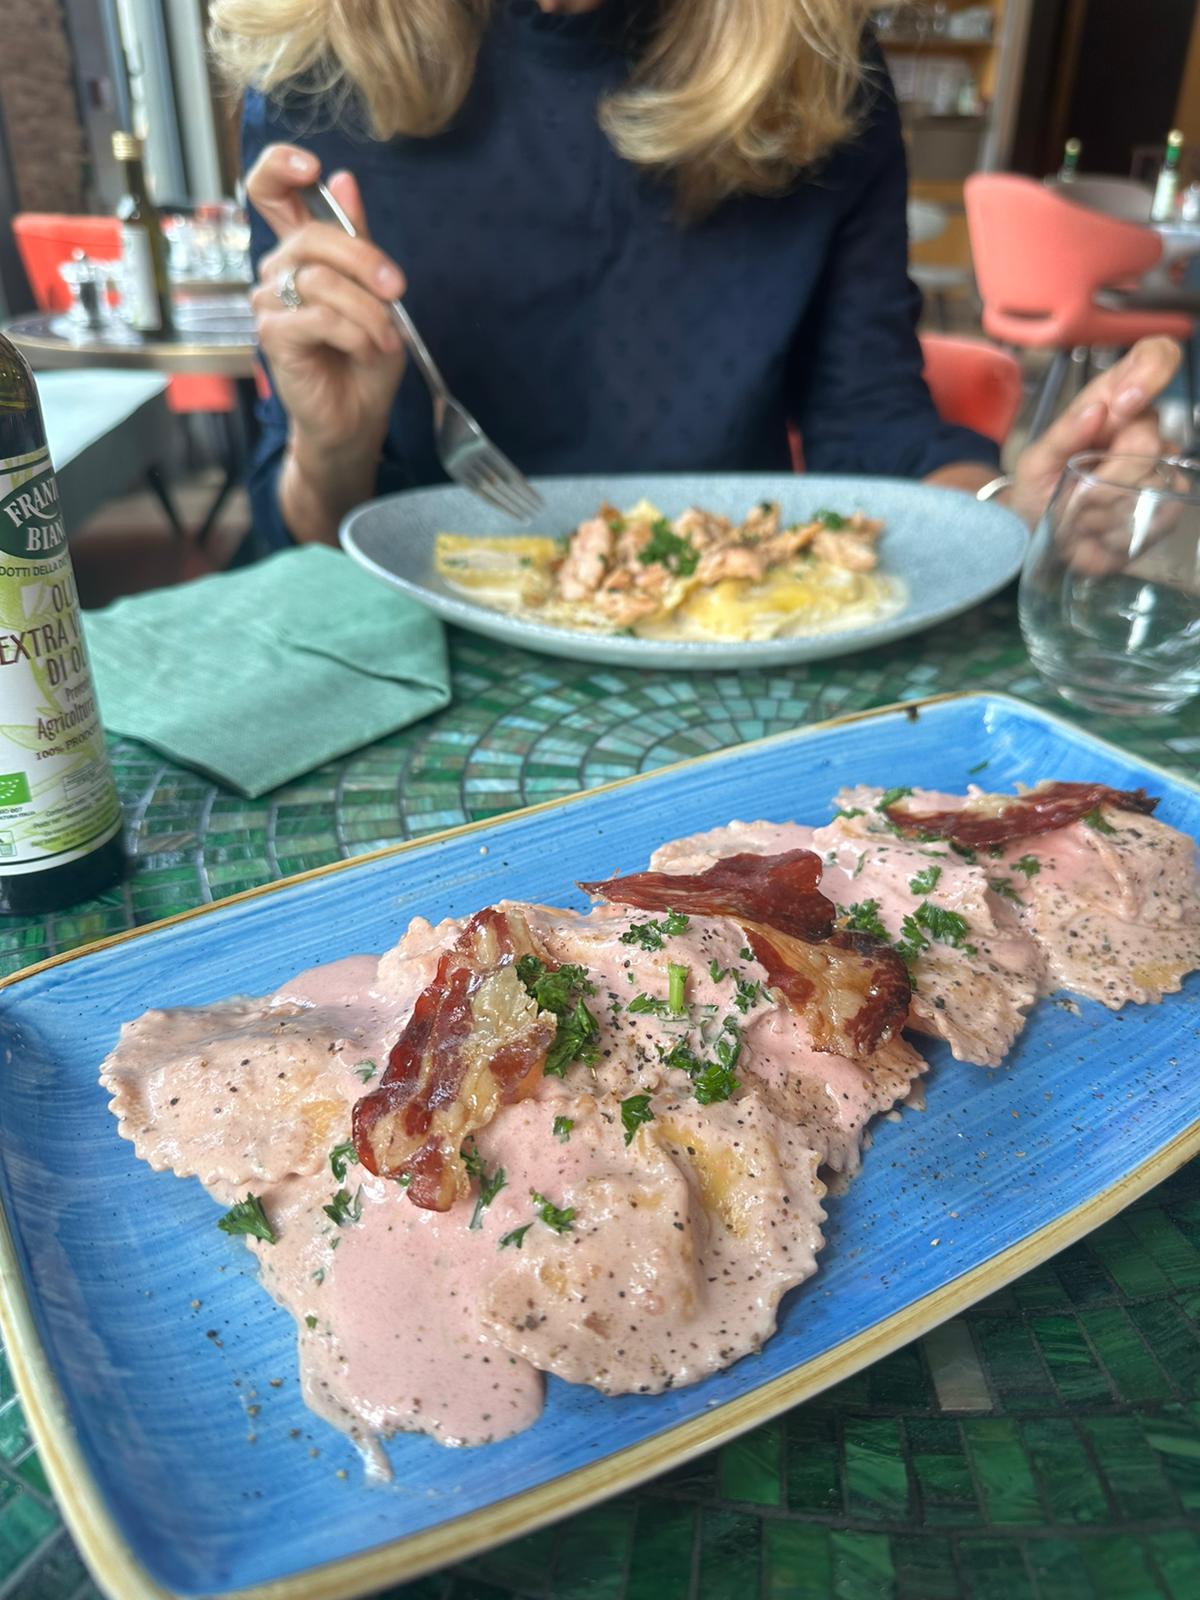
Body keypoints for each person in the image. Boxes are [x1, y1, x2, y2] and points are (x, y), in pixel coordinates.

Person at [212, 0, 1181, 548]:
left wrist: (1017, 512)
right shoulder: (315, 67)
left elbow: (873, 432)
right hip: (420, 653)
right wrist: (331, 448)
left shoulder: (812, 65)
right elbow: (300, 535)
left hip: (734, 639)